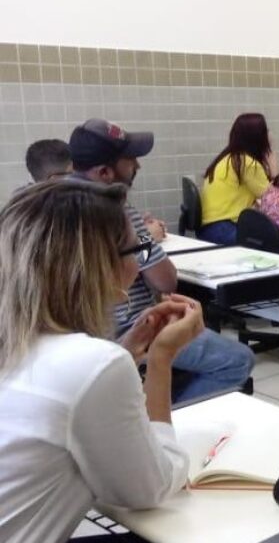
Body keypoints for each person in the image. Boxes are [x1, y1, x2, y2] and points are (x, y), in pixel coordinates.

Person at [0, 180, 204, 542]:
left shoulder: (29, 346)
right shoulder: (92, 364)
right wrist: (160, 359)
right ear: (100, 264)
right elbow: (147, 490)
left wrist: (125, 350)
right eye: (135, 251)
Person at [68, 118, 254, 403]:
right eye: (130, 160)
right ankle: (161, 416)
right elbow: (164, 280)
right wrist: (144, 238)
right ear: (105, 172)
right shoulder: (116, 209)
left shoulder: (54, 204)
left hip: (80, 334)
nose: (137, 167)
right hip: (129, 328)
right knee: (237, 360)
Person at [199, 113, 274, 244]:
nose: (269, 134)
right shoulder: (247, 163)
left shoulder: (228, 158)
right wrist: (272, 164)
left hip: (209, 228)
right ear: (258, 136)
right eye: (266, 131)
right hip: (225, 229)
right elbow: (274, 199)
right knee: (274, 241)